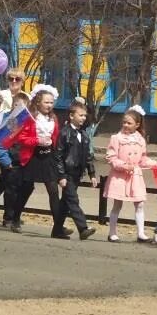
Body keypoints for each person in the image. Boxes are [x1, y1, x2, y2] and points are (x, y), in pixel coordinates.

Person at [6, 85, 69, 238]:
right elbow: (20, 138)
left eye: (51, 102)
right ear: (38, 102)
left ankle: (58, 227)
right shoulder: (30, 117)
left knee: (53, 190)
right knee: (27, 188)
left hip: (48, 157)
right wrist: (36, 140)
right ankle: (15, 218)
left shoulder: (53, 118)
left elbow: (56, 137)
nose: (49, 105)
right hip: (33, 156)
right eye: (46, 102)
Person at [104, 105, 157, 243]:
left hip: (135, 175)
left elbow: (143, 159)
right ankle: (112, 232)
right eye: (124, 122)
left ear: (137, 124)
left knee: (139, 203)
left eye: (129, 123)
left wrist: (155, 164)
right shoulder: (116, 138)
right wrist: (122, 165)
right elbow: (111, 157)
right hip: (120, 176)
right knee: (117, 204)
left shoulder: (140, 140)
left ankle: (141, 233)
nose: (126, 125)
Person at [0, 67, 27, 219]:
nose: (14, 82)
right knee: (8, 176)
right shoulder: (1, 94)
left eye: (17, 79)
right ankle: (7, 215)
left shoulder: (26, 97)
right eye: (11, 79)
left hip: (19, 141)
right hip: (3, 136)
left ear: (23, 81)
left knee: (9, 179)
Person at [56, 99, 98, 240]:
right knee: (73, 200)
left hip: (77, 174)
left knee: (65, 203)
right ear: (71, 116)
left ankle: (57, 230)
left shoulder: (84, 135)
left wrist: (92, 174)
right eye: (80, 115)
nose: (83, 118)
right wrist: (61, 175)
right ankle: (83, 228)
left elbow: (88, 157)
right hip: (67, 173)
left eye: (84, 116)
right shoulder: (64, 133)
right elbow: (59, 155)